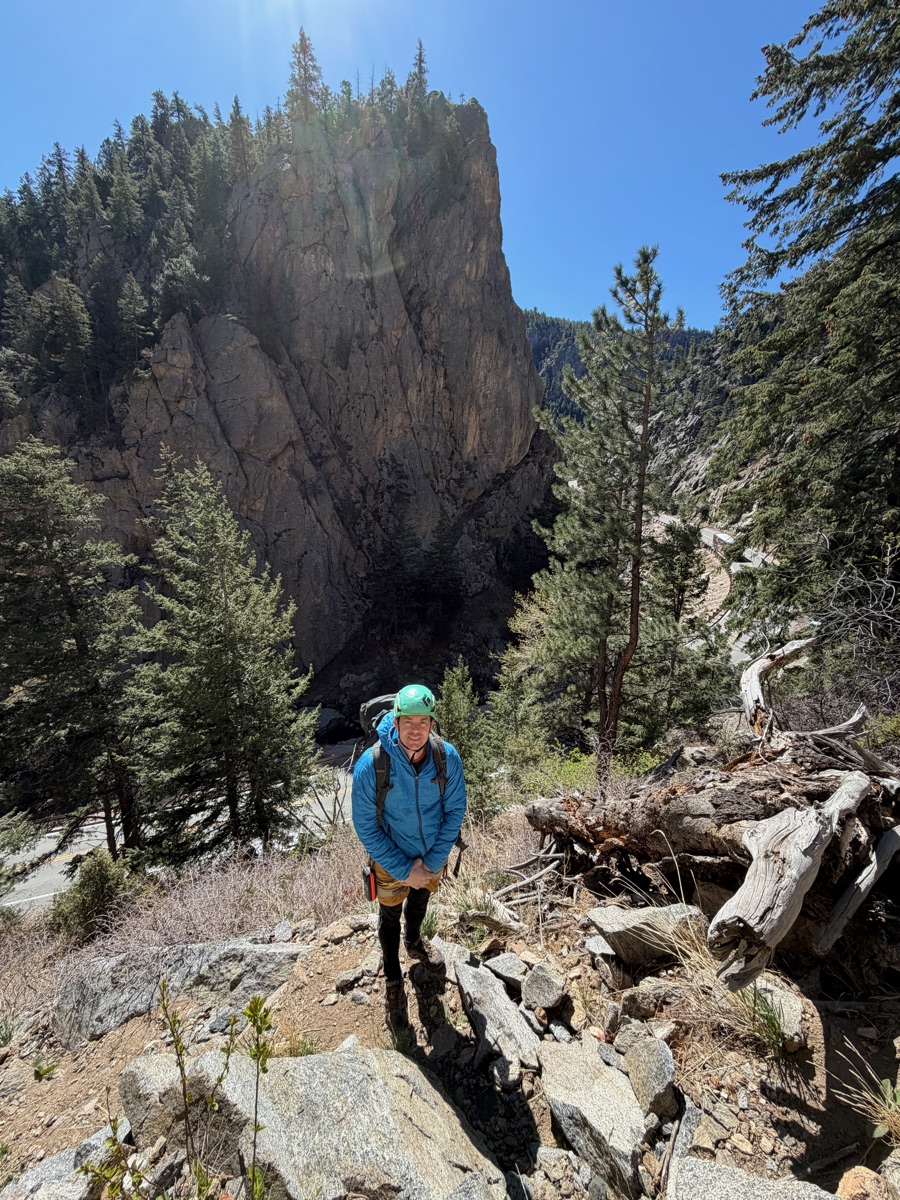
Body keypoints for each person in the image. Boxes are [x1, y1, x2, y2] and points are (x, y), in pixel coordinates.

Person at [351, 683, 467, 1032]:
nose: (415, 730)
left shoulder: (447, 757)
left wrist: (430, 864)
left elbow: (454, 811)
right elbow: (366, 828)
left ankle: (414, 941)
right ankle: (392, 980)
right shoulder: (372, 765)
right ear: (396, 721)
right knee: (388, 918)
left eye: (423, 722)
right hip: (390, 857)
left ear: (432, 724)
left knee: (420, 899)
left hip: (431, 854)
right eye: (408, 722)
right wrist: (404, 868)